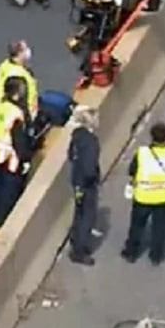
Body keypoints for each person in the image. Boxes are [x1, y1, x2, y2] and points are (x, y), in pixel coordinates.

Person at [122, 121, 165, 265]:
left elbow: (131, 171)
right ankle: (156, 256)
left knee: (137, 226)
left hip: (143, 197)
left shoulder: (142, 153)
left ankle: (131, 253)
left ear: (152, 137)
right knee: (160, 227)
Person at [0, 80, 35, 228]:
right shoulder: (15, 114)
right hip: (10, 158)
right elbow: (19, 141)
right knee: (9, 191)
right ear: (16, 94)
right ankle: (4, 221)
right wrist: (25, 159)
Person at [67, 107, 101, 266]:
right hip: (86, 184)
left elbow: (71, 155)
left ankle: (75, 241)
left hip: (76, 180)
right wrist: (93, 177)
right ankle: (79, 251)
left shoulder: (77, 136)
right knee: (87, 216)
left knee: (79, 213)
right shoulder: (92, 142)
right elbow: (89, 167)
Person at [0, 40, 39, 115]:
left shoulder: (5, 64)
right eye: (25, 49)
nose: (28, 51)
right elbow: (19, 99)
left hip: (1, 107)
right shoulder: (17, 76)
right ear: (19, 53)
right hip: (19, 112)